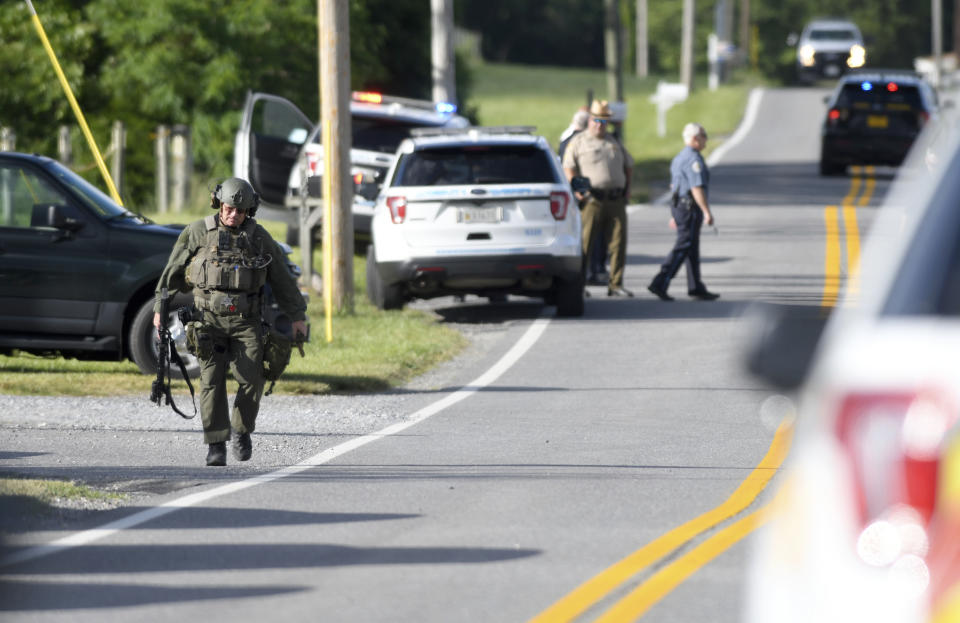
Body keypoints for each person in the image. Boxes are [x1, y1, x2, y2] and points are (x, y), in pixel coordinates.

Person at [153, 177, 308, 466]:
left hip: (246, 321)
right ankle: (216, 444)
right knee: (211, 382)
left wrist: (297, 316)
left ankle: (241, 430)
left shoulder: (259, 237)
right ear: (218, 204)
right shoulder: (198, 232)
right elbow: (172, 272)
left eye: (240, 211)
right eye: (228, 208)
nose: (233, 215)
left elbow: (282, 280)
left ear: (249, 211)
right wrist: (160, 307)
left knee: (251, 379)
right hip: (208, 321)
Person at [562, 99, 634, 297]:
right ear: (590, 121)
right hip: (592, 200)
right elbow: (569, 167)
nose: (600, 125)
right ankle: (580, 285)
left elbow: (629, 165)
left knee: (618, 243)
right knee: (586, 244)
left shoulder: (614, 141)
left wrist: (627, 189)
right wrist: (580, 191)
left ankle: (616, 284)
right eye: (596, 121)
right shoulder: (579, 141)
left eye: (604, 121)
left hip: (616, 199)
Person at [647, 122, 719, 301]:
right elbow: (696, 188)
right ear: (695, 139)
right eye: (704, 136)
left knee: (691, 248)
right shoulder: (693, 159)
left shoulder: (680, 157)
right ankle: (660, 281)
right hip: (689, 207)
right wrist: (707, 211)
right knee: (684, 246)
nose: (706, 140)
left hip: (680, 205)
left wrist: (675, 213)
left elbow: (675, 186)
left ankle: (696, 286)